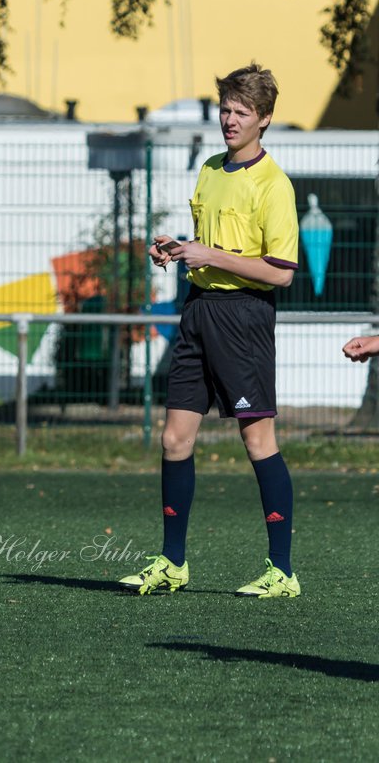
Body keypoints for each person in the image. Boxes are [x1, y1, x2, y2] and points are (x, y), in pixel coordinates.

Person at [120, 63, 301, 599]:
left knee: (256, 438)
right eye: (225, 109)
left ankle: (282, 572)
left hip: (245, 317)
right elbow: (207, 250)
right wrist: (175, 249)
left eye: (241, 112)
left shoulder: (274, 184)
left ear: (264, 120)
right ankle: (173, 563)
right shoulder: (208, 168)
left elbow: (281, 273)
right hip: (198, 310)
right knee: (174, 438)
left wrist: (211, 254)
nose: (229, 119)